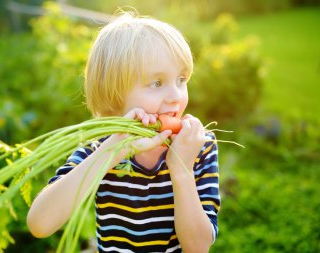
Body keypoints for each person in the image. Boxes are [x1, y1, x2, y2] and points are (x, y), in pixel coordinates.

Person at [27, 11, 220, 253]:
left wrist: (182, 170)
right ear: (114, 96)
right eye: (157, 83)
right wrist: (112, 153)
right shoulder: (101, 148)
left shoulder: (198, 147)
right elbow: (40, 224)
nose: (175, 97)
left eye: (181, 79)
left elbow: (198, 247)